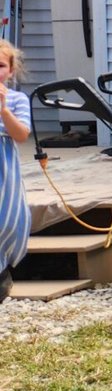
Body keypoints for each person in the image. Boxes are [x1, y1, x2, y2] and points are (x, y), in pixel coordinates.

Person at [0, 40, 33, 302]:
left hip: (5, 172)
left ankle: (3, 270)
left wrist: (3, 110)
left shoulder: (17, 99)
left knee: (9, 219)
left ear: (10, 71)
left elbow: (21, 134)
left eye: (0, 65)